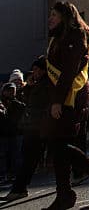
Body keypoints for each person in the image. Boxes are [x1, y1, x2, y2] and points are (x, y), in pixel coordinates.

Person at [41, 2, 89, 209]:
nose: (50, 18)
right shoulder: (60, 38)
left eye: (54, 14)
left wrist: (57, 101)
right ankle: (66, 193)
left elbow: (67, 73)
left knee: (59, 145)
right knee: (58, 146)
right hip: (65, 98)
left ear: (65, 17)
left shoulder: (73, 37)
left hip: (70, 98)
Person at [2, 58, 48, 202]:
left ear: (43, 70)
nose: (34, 72)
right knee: (28, 158)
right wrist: (28, 86)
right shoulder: (36, 84)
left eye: (36, 70)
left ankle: (19, 189)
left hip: (39, 126)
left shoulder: (46, 85)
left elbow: (35, 105)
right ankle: (19, 188)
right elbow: (27, 100)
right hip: (31, 126)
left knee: (30, 158)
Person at [0, 82, 24, 184]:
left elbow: (24, 108)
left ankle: (14, 173)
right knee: (3, 155)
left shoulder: (18, 101)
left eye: (12, 90)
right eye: (8, 90)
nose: (11, 92)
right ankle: (3, 174)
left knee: (16, 154)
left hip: (15, 132)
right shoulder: (1, 102)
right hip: (3, 133)